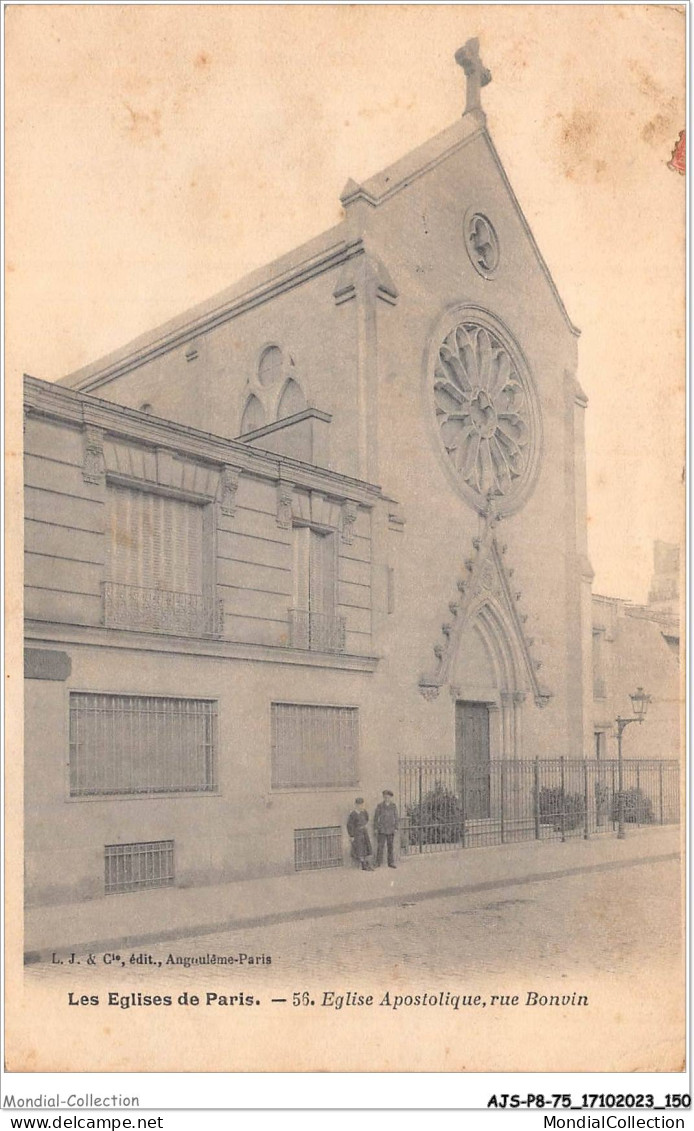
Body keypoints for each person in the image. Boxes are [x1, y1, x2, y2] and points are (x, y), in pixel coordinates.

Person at [373, 789, 399, 868]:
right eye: (385, 797)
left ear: (390, 797)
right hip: (382, 829)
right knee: (380, 847)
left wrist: (396, 827)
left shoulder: (393, 806)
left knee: (390, 847)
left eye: (388, 797)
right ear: (383, 797)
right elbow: (376, 818)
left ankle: (391, 863)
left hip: (391, 829)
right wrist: (376, 828)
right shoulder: (380, 806)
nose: (387, 799)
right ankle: (378, 863)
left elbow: (396, 817)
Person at [347, 798, 374, 870]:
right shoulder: (353, 814)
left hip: (364, 832)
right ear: (356, 805)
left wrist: (364, 826)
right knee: (359, 848)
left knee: (366, 846)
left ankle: (366, 862)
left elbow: (367, 819)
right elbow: (350, 825)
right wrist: (351, 835)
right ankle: (363, 864)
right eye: (359, 805)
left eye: (362, 805)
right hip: (357, 833)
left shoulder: (364, 812)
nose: (360, 806)